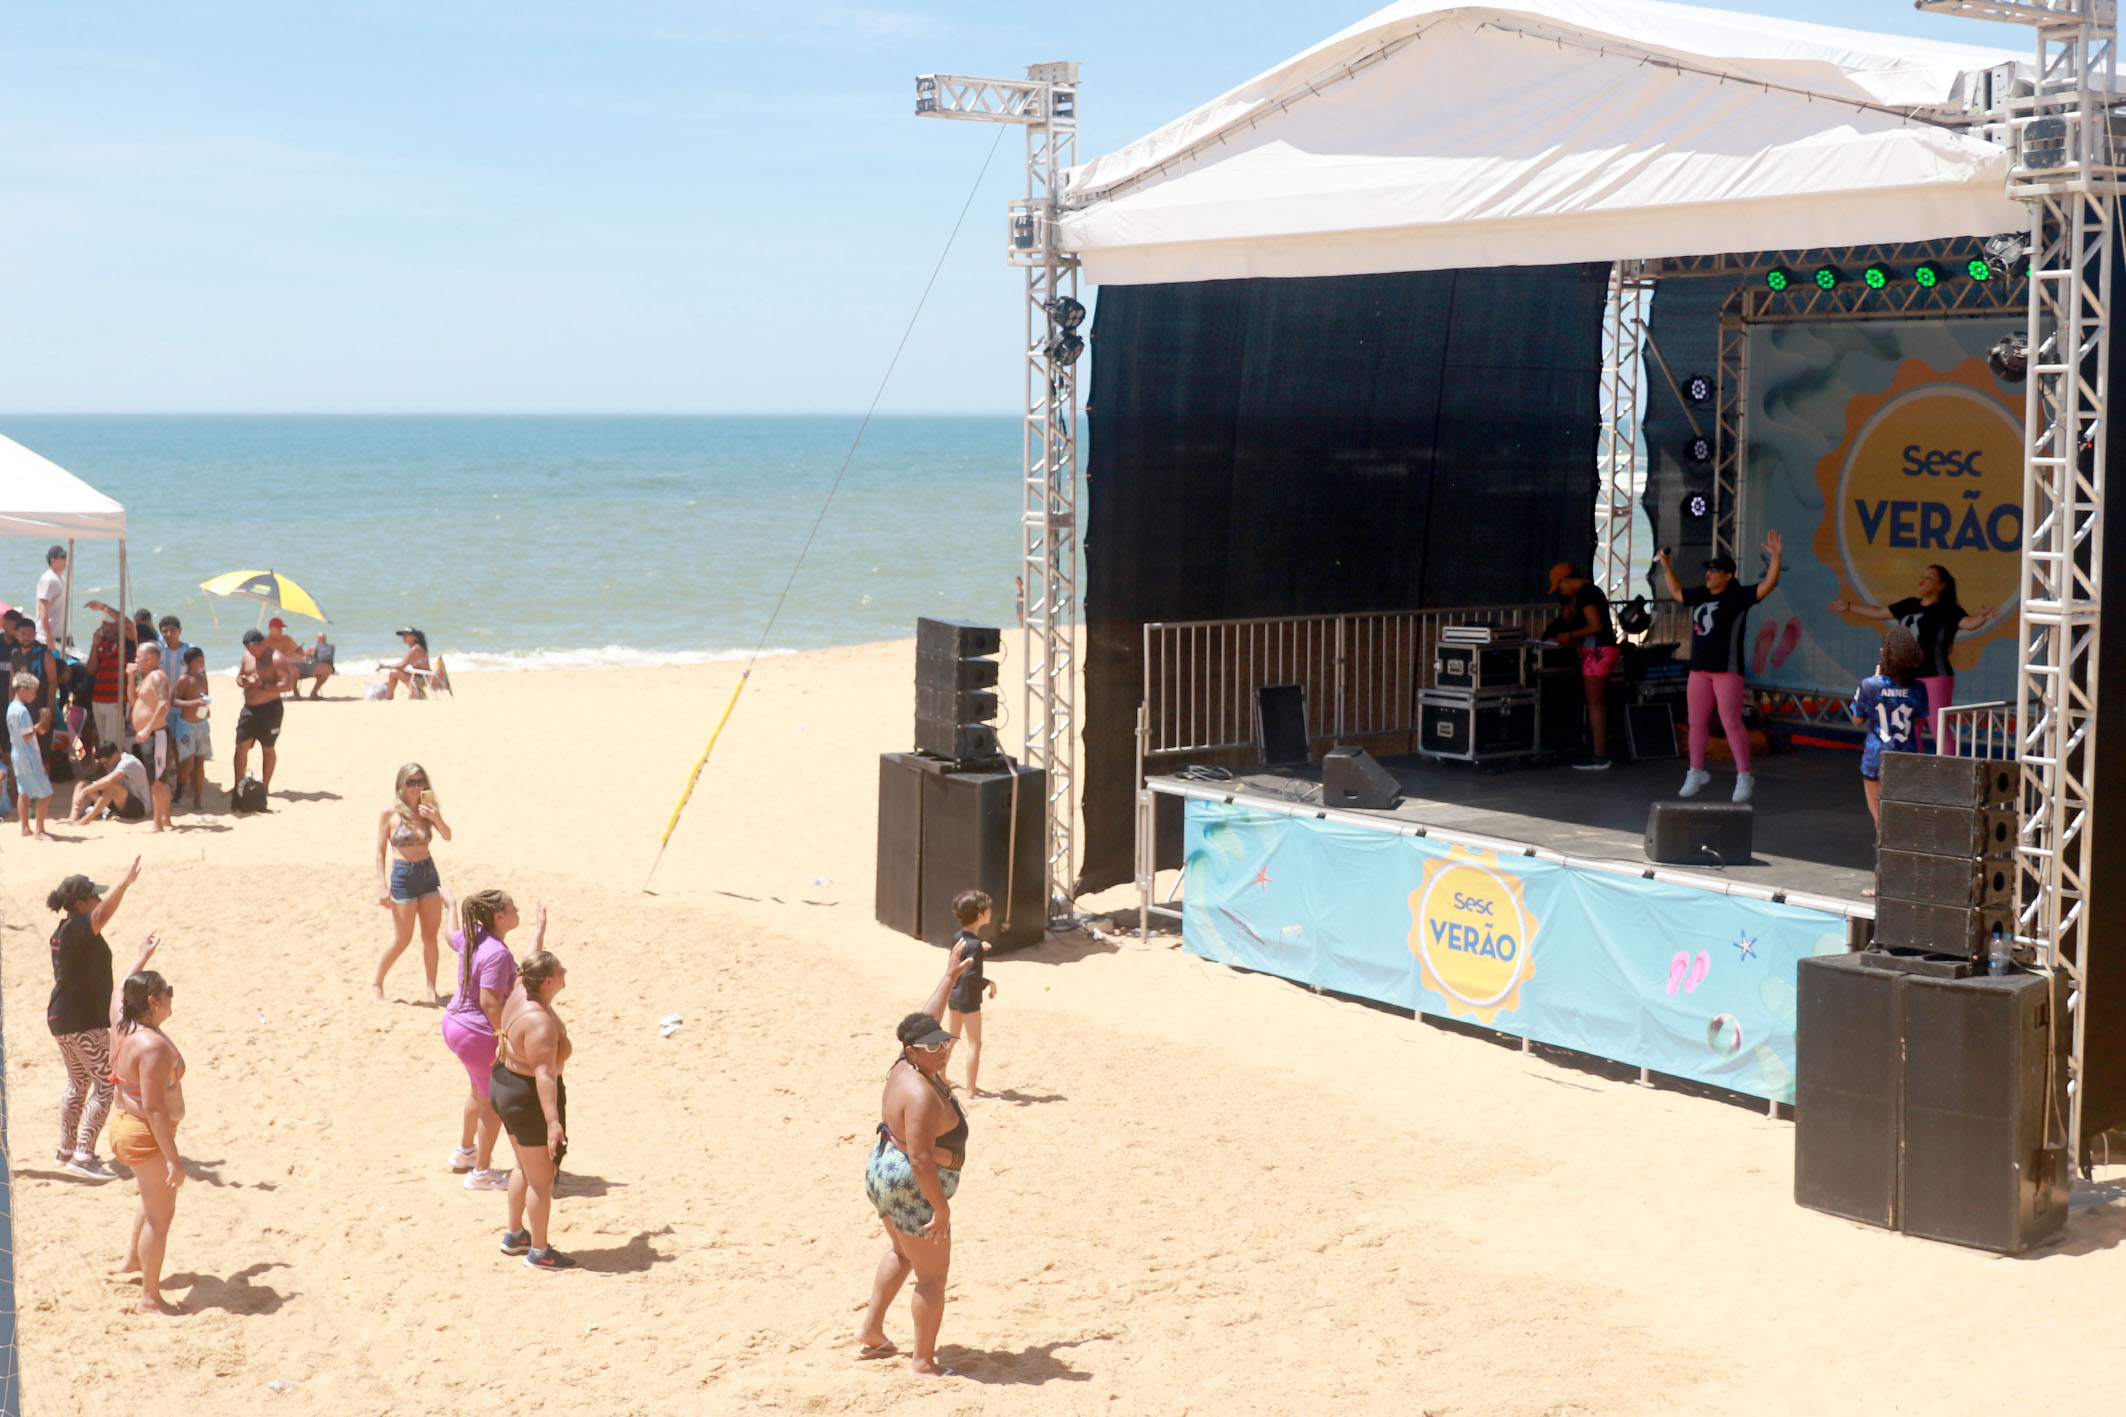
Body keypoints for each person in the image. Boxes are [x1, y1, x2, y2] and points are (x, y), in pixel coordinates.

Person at [856, 949, 977, 1377]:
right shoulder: (922, 1095)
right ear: (912, 1051)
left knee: (901, 1252)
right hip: (912, 1184)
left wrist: (948, 978)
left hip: (882, 1171)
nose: (942, 1051)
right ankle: (922, 1363)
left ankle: (871, 1330)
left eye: (945, 1042)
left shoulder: (904, 1066)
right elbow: (922, 1159)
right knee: (932, 1279)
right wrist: (940, 1209)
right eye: (932, 1047)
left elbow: (925, 1020)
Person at [1656, 532, 1783, 803]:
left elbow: (1768, 585)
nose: (1709, 575)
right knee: (1696, 722)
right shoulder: (1700, 594)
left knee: (1731, 722)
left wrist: (1775, 558)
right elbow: (1677, 592)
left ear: (1727, 575)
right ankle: (1695, 770)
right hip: (1699, 669)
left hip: (1727, 669)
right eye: (1708, 570)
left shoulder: (1738, 596)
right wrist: (1666, 565)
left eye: (1714, 571)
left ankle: (1744, 775)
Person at [442, 889, 545, 1192]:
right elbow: (489, 1002)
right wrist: (505, 1036)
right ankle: (481, 1173)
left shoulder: (473, 936)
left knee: (478, 1092)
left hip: (454, 1023)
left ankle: (465, 1152)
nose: (517, 911)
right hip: (476, 1033)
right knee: (493, 1105)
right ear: (498, 916)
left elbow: (449, 936)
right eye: (512, 908)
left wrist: (451, 907)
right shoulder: (497, 954)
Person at [47, 861, 140, 1180]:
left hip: (63, 1017)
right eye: (94, 896)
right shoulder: (76, 928)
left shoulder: (65, 930)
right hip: (82, 1018)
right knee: (105, 1084)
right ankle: (83, 1155)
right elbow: (101, 916)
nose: (99, 900)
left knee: (77, 1084)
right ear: (79, 903)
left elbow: (98, 917)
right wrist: (124, 885)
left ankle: (66, 1151)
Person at [1829, 564, 1993, 745]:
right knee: (1909, 727)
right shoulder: (1910, 604)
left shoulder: (1947, 609)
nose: (1922, 580)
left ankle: (1948, 763)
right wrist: (1848, 606)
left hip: (1935, 675)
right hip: (1908, 676)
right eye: (1922, 576)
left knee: (1937, 726)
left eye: (1929, 578)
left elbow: (1968, 623)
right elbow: (1878, 612)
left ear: (1941, 585)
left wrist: (1983, 617)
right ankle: (1913, 762)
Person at [109, 936, 186, 1315]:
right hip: (145, 1132)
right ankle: (149, 1298)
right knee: (160, 1215)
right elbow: (155, 1108)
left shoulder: (121, 1025)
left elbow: (117, 991)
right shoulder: (152, 1047)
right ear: (153, 1002)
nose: (172, 996)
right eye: (167, 992)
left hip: (126, 1124)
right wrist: (174, 1159)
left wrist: (141, 957)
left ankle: (132, 1261)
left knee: (148, 1196)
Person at [493, 950, 574, 1270]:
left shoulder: (521, 987)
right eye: (560, 969)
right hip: (527, 1097)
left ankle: (515, 1235)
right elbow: (544, 1074)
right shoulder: (540, 1023)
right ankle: (540, 1253)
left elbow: (530, 957)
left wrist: (539, 929)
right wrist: (553, 1122)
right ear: (548, 981)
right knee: (542, 1180)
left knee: (523, 1166)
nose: (565, 971)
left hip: (504, 1083)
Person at [373, 763, 452, 1003]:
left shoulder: (427, 810)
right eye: (411, 782)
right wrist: (382, 885)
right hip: (403, 876)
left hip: (428, 873)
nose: (417, 787)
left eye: (420, 782)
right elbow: (380, 852)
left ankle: (431, 990)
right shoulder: (390, 814)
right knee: (402, 939)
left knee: (430, 936)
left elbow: (447, 835)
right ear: (401, 785)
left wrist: (436, 817)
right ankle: (377, 983)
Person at [1850, 626, 1931, 837]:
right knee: (1902, 811)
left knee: (1880, 817)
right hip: (1906, 754)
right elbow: (1919, 719)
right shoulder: (1919, 688)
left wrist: (1877, 678)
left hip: (1876, 755)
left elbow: (1857, 718)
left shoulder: (1870, 685)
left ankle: (1883, 842)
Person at [1545, 562, 1620, 769]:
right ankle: (1599, 752)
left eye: (1560, 587)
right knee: (1597, 704)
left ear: (1565, 580)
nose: (1562, 592)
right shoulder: (1592, 591)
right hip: (1601, 650)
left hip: (1598, 652)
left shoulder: (1586, 593)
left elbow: (1595, 626)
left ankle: (1600, 756)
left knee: (1595, 705)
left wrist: (1570, 635)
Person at [943, 890, 998, 1099]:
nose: (991, 912)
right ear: (980, 915)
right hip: (969, 999)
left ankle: (940, 1076)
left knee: (952, 1037)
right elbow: (971, 976)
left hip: (954, 995)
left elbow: (964, 954)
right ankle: (971, 1091)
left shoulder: (959, 937)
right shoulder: (975, 945)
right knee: (975, 1043)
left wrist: (980, 947)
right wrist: (990, 983)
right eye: (988, 910)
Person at [232, 628, 289, 794]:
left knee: (268, 748)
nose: (252, 652)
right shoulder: (246, 657)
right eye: (249, 649)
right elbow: (240, 676)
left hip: (270, 709)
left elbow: (287, 685)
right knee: (241, 747)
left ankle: (265, 787)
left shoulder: (276, 658)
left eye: (255, 649)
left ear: (263, 644)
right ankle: (238, 786)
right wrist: (242, 681)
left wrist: (262, 685)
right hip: (249, 709)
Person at [129, 642, 175, 832]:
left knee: (158, 781)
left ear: (150, 659)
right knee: (158, 779)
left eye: (139, 656)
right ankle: (165, 818)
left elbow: (164, 705)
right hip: (149, 736)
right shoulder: (145, 678)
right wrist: (130, 677)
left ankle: (158, 823)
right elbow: (133, 701)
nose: (136, 660)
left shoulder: (157, 677)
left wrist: (147, 729)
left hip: (157, 735)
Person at [10, 671, 54, 839]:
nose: (35, 695)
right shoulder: (22, 711)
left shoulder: (11, 708)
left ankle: (25, 827)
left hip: (17, 755)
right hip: (28, 756)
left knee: (24, 792)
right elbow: (26, 734)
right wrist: (41, 722)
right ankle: (39, 830)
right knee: (45, 792)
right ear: (23, 689)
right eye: (33, 691)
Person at [82, 604, 131, 754]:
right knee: (103, 740)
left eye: (111, 625)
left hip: (115, 700)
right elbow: (91, 669)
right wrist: (94, 645)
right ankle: (104, 765)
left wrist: (103, 607)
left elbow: (128, 625)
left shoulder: (126, 642)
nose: (107, 628)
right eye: (104, 625)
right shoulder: (101, 642)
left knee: (113, 743)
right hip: (98, 698)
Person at [68, 740, 152, 823]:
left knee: (112, 786)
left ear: (115, 755)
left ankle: (86, 819)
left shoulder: (129, 762)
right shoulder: (111, 765)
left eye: (107, 763)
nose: (106, 766)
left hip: (139, 808)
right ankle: (73, 817)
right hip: (117, 803)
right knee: (82, 784)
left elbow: (109, 780)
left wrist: (85, 791)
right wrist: (86, 788)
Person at [172, 647, 211, 809]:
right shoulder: (184, 679)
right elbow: (174, 701)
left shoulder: (202, 677)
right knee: (187, 764)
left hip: (202, 724)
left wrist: (206, 708)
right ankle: (180, 789)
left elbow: (206, 695)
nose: (202, 662)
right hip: (186, 725)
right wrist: (193, 703)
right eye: (199, 660)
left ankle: (198, 798)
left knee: (200, 762)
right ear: (191, 662)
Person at [265, 617, 333, 699]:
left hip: (303, 663)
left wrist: (306, 652)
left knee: (327, 669)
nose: (281, 630)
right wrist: (285, 655)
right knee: (293, 669)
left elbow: (301, 653)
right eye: (279, 628)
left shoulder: (286, 638)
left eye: (282, 628)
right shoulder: (266, 643)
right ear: (271, 628)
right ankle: (296, 694)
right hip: (288, 668)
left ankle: (314, 692)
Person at [379, 627, 431, 700]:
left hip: (422, 679)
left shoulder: (416, 649)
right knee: (396, 672)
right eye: (403, 635)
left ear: (414, 637)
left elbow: (402, 665)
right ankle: (419, 693)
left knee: (393, 673)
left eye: (406, 635)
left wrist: (385, 666)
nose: (404, 637)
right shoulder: (416, 647)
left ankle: (388, 698)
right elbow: (402, 664)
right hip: (422, 677)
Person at [35, 544, 69, 652]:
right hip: (49, 637)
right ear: (53, 560)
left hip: (61, 636)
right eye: (63, 558)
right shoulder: (48, 579)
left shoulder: (61, 578)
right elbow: (42, 607)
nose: (66, 560)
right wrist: (48, 636)